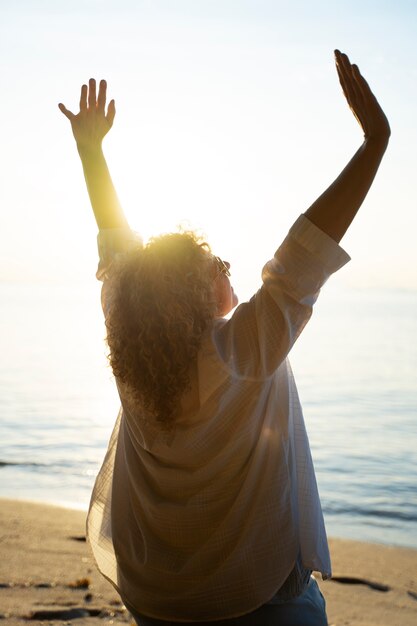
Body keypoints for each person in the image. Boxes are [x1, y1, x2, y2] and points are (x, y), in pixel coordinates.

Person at [59, 50, 390, 626]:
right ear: (195, 289)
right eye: (221, 265)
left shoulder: (128, 344)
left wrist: (91, 152)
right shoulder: (240, 351)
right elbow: (301, 257)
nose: (231, 273)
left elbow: (118, 251)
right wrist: (374, 145)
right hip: (254, 599)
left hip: (154, 594)